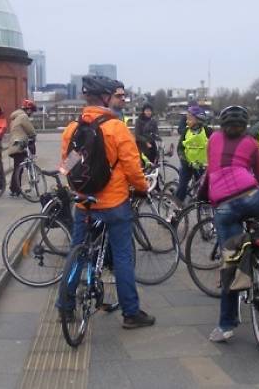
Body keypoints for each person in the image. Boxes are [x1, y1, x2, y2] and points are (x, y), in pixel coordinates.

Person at [57, 75, 155, 328]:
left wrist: (77, 188)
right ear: (105, 98)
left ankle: (65, 308)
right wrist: (142, 188)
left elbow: (66, 166)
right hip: (114, 204)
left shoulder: (72, 129)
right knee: (122, 257)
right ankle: (131, 314)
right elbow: (133, 168)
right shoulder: (117, 128)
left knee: (77, 252)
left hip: (85, 203)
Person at [201, 105, 259, 343]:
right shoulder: (252, 143)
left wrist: (206, 197)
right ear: (246, 126)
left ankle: (225, 326)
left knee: (230, 264)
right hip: (251, 196)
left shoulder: (213, 139)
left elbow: (211, 172)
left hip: (224, 207)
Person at [175, 105, 213, 203]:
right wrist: (185, 161)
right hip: (187, 165)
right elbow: (180, 148)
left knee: (203, 189)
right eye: (187, 119)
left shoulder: (208, 131)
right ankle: (175, 209)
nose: (187, 121)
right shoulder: (186, 131)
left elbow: (216, 146)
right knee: (182, 187)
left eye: (189, 119)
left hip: (202, 166)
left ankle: (203, 206)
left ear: (198, 120)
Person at [6, 99, 38, 197]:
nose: (31, 113)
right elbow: (31, 131)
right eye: (31, 111)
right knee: (19, 168)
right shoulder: (23, 116)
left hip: (14, 145)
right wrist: (33, 135)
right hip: (20, 145)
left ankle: (14, 189)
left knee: (17, 168)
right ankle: (16, 189)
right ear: (28, 109)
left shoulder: (15, 117)